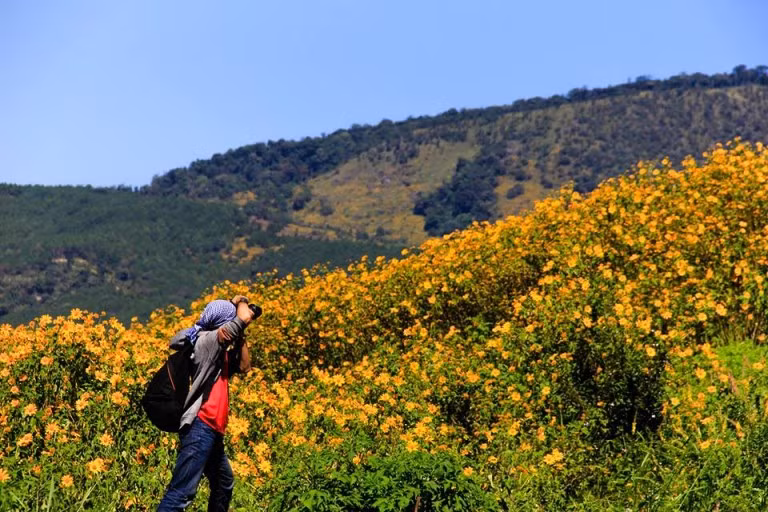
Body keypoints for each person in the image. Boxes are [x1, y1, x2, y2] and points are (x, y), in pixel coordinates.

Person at [157, 295, 258, 512]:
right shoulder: (208, 342)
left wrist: (241, 336)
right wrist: (241, 303)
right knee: (181, 493)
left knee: (223, 483)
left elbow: (244, 366)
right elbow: (240, 320)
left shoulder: (218, 352)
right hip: (200, 426)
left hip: (211, 430)